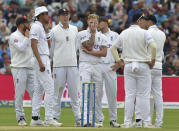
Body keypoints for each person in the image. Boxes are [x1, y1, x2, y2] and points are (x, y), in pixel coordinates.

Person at [111, 13, 157, 128]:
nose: (145, 22)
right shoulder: (144, 32)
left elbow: (113, 48)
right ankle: (146, 122)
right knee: (144, 95)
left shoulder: (124, 32)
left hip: (128, 65)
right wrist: (153, 60)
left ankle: (127, 122)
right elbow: (154, 47)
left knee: (129, 95)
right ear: (139, 21)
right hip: (143, 65)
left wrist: (119, 61)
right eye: (143, 20)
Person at [30, 6, 62, 127]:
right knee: (50, 88)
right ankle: (49, 118)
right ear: (39, 16)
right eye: (44, 14)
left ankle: (35, 117)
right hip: (41, 58)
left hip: (44, 57)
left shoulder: (41, 28)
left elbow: (48, 45)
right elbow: (33, 44)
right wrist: (40, 62)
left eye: (47, 13)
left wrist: (47, 29)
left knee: (39, 89)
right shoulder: (36, 27)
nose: (47, 15)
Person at [50, 9, 81, 126]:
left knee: (74, 93)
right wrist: (56, 60)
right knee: (57, 93)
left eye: (67, 15)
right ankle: (55, 117)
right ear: (59, 17)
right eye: (63, 15)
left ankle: (78, 118)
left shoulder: (74, 29)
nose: (65, 17)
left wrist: (71, 56)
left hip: (72, 64)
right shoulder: (54, 31)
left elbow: (76, 46)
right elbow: (51, 49)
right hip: (58, 65)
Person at [77, 14, 107, 127]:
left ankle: (97, 119)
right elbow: (88, 46)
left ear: (98, 23)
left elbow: (104, 53)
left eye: (95, 22)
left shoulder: (103, 36)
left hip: (98, 65)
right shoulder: (82, 34)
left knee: (97, 94)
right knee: (85, 92)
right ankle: (84, 119)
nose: (93, 24)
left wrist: (90, 53)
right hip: (85, 65)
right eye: (91, 22)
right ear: (87, 22)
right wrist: (93, 35)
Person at [9, 17, 34, 126]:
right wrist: (27, 38)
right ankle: (20, 118)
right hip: (19, 68)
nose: (28, 26)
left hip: (30, 68)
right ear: (20, 25)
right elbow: (21, 48)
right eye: (25, 24)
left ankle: (35, 117)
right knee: (19, 94)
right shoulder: (14, 36)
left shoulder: (28, 35)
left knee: (35, 93)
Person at [98, 16, 120, 127]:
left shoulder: (115, 35)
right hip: (98, 66)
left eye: (100, 22)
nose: (98, 24)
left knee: (112, 94)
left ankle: (113, 120)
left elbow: (124, 50)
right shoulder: (96, 35)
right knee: (97, 94)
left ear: (106, 23)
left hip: (111, 67)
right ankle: (99, 119)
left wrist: (119, 63)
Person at [145, 15, 166, 128]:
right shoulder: (162, 34)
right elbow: (161, 53)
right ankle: (159, 122)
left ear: (150, 21)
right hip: (158, 66)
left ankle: (147, 121)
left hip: (148, 65)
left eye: (146, 21)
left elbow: (144, 49)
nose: (144, 23)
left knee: (145, 95)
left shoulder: (146, 33)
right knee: (158, 96)